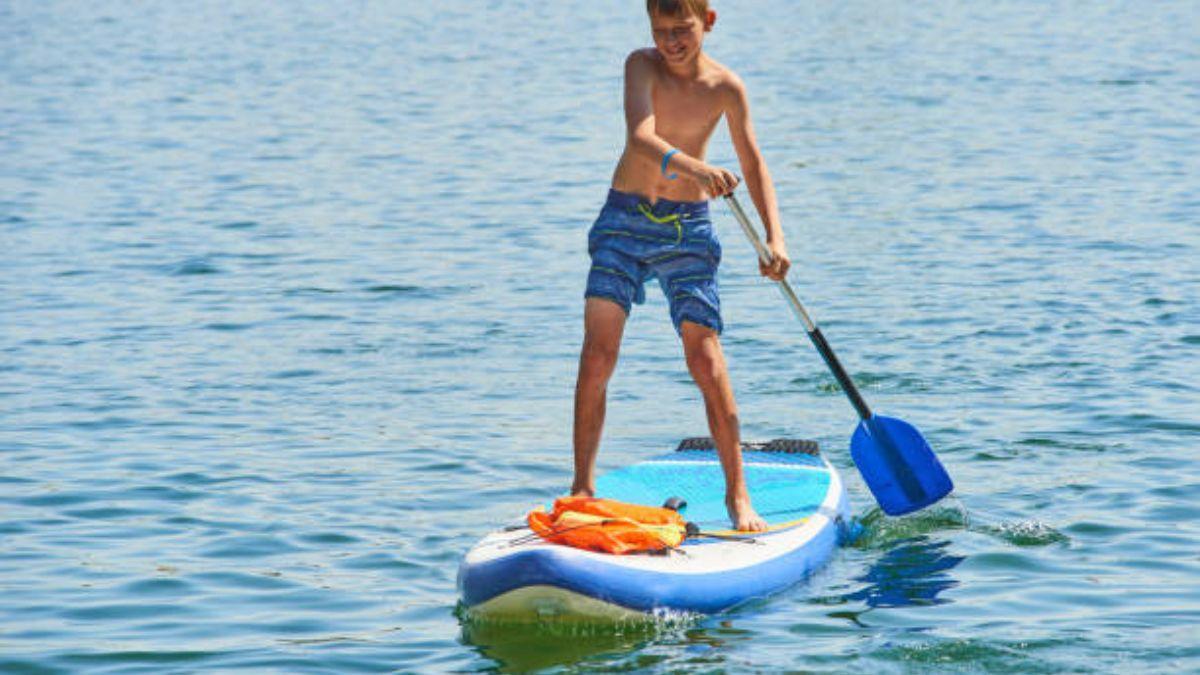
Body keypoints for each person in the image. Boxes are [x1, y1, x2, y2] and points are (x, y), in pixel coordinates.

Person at [570, 0, 790, 532]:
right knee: (599, 352)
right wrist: (695, 166)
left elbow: (753, 161)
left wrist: (774, 237)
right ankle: (581, 487)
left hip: (686, 229)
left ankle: (739, 497)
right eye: (661, 30)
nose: (671, 41)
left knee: (705, 357)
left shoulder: (726, 88)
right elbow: (641, 139)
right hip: (623, 221)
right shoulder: (640, 65)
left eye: (682, 30)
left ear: (708, 22)